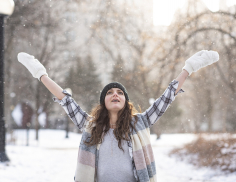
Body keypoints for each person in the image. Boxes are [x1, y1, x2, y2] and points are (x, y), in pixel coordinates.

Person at [17, 50, 219, 182]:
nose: (115, 94)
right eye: (110, 92)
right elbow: (65, 99)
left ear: (126, 101)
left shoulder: (139, 123)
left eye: (120, 92)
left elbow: (166, 98)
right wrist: (40, 73)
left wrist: (188, 68)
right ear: (103, 102)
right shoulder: (91, 126)